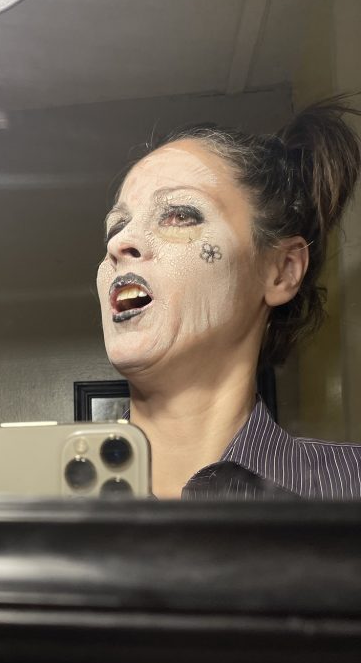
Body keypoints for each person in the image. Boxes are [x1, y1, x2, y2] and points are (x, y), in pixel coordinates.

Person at [96, 100, 361, 499]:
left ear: (281, 270)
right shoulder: (28, 499)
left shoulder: (351, 488)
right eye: (117, 225)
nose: (119, 242)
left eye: (179, 215)